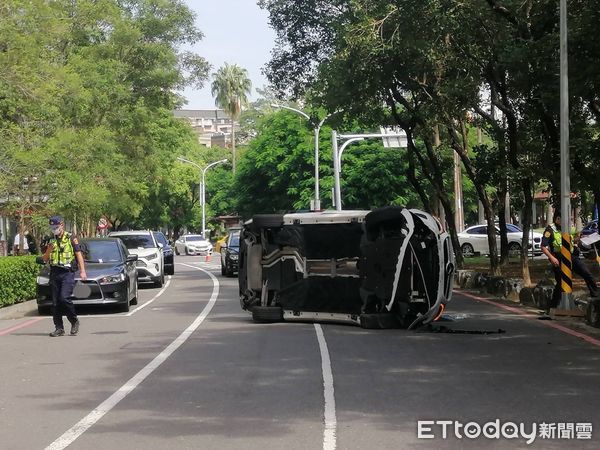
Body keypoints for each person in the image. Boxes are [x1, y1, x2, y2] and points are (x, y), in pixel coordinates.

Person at [541, 211, 599, 312]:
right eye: (564, 220)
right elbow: (543, 247)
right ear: (558, 219)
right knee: (561, 282)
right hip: (558, 258)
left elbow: (574, 238)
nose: (566, 222)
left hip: (571, 256)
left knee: (586, 273)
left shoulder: (568, 228)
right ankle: (553, 306)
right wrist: (552, 257)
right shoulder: (550, 230)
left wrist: (579, 239)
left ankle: (596, 295)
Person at [41, 216, 87, 337]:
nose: (54, 229)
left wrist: (82, 271)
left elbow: (78, 255)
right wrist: (49, 250)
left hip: (67, 272)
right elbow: (45, 259)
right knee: (55, 303)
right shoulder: (50, 239)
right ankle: (59, 328)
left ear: (62, 225)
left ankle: (74, 320)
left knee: (64, 298)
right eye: (52, 227)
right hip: (55, 272)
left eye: (56, 227)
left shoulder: (71, 237)